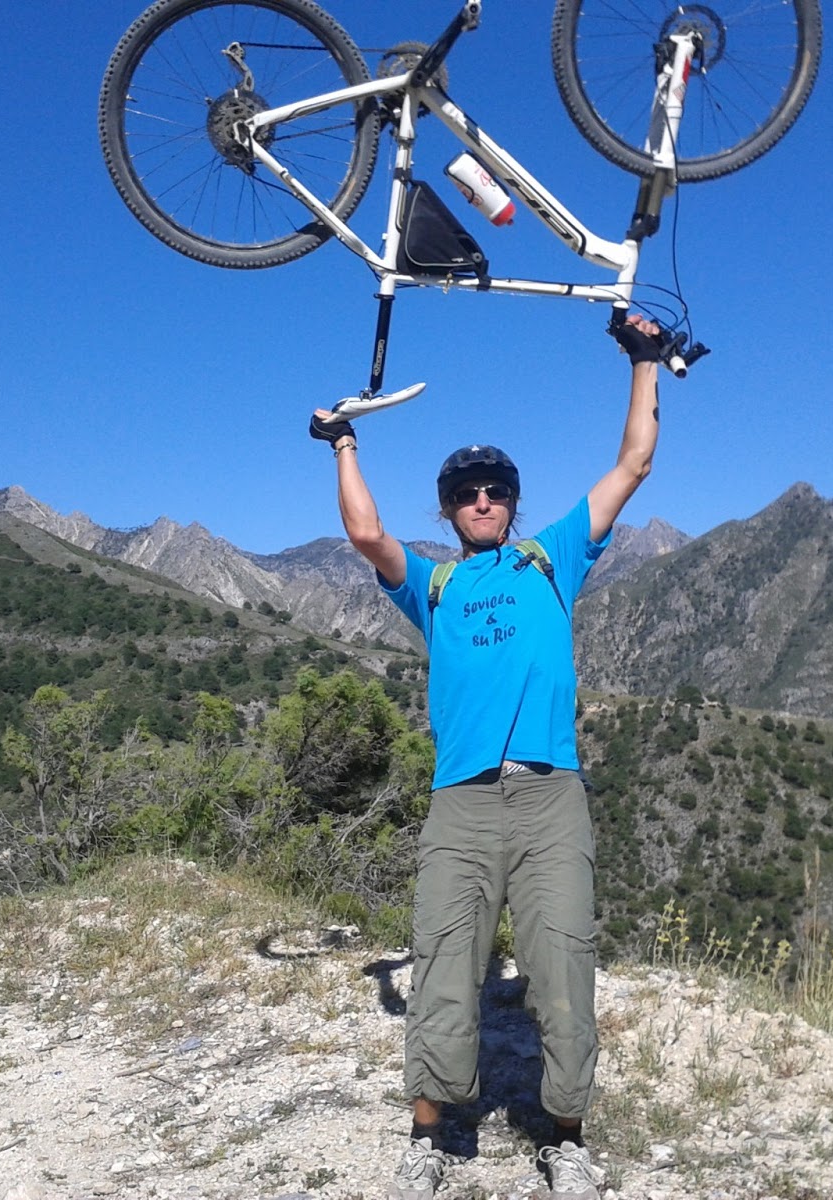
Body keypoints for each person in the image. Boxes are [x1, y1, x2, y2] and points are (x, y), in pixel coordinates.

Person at [309, 315, 666, 1200]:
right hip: (461, 805)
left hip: (551, 800)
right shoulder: (434, 587)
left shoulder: (554, 560)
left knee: (562, 972)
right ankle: (429, 1138)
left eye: (494, 488)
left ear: (511, 500)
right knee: (441, 968)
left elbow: (633, 465)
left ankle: (567, 1140)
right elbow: (364, 536)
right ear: (448, 508)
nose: (481, 499)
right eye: (466, 490)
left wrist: (646, 362)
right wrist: (342, 442)